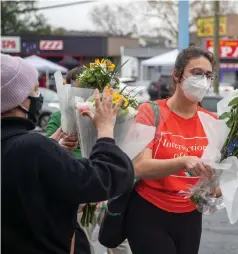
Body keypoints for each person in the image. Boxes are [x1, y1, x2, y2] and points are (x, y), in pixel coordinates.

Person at [1, 53, 135, 253]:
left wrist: (51, 149)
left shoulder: (27, 147)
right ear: (17, 99)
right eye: (35, 91)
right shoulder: (33, 148)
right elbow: (105, 179)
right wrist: (106, 131)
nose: (39, 97)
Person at [125, 46, 217, 254]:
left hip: (190, 215)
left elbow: (218, 184)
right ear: (177, 75)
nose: (203, 80)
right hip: (149, 211)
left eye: (208, 75)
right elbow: (139, 167)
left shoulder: (212, 122)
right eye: (197, 73)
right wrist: (183, 161)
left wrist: (218, 185)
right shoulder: (149, 112)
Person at [45, 67, 132, 254]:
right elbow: (49, 153)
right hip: (80, 191)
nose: (81, 98)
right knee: (83, 242)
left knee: (120, 245)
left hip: (108, 192)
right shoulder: (60, 118)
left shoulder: (108, 115)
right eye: (77, 92)